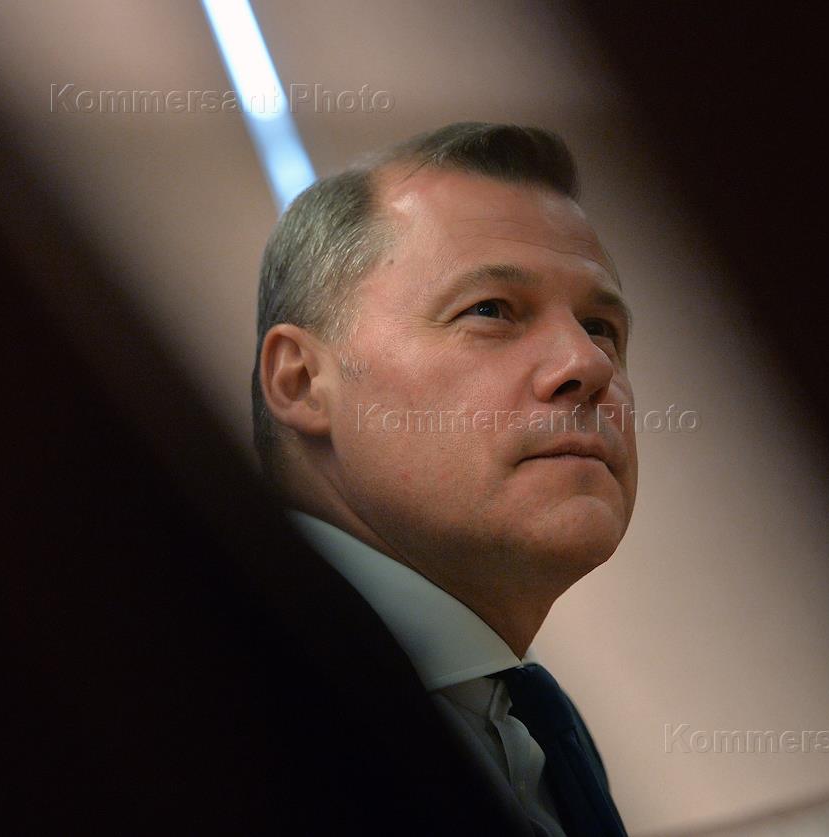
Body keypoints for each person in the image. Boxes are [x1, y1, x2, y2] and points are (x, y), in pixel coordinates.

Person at [252, 122, 637, 836]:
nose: (589, 364)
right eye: (490, 310)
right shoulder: (204, 700)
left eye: (601, 327)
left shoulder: (533, 720)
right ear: (301, 381)